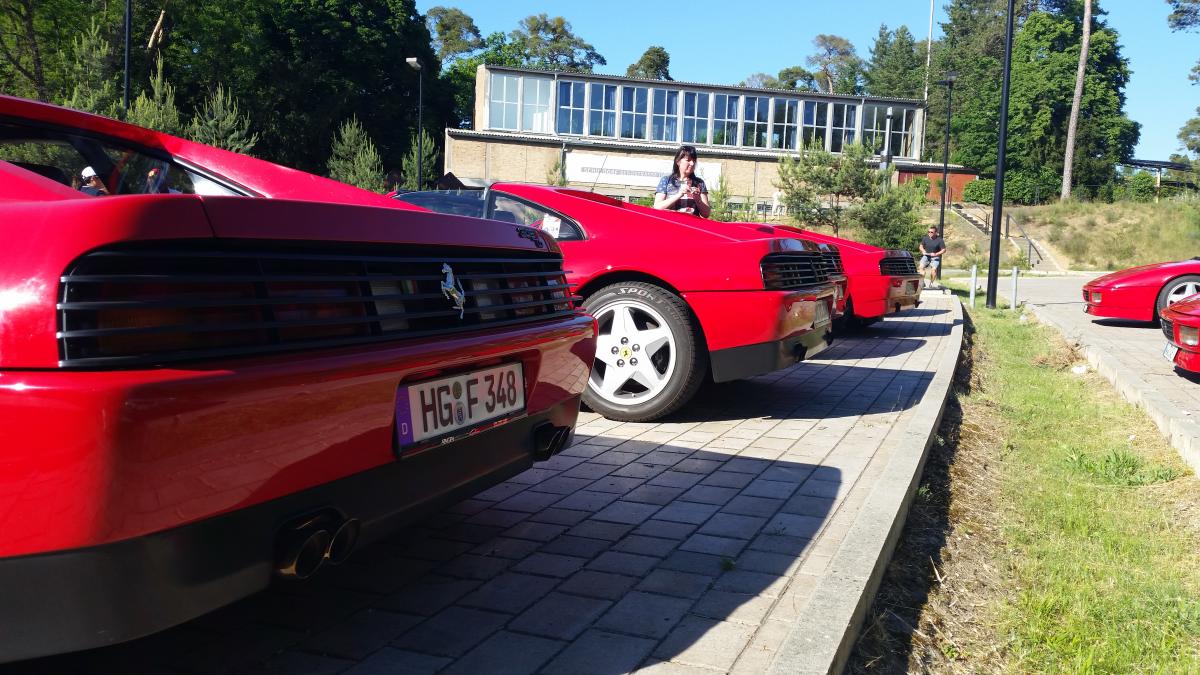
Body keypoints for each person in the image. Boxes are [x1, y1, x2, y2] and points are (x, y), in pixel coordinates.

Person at [654, 145, 710, 217]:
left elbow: (706, 214)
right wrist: (679, 194)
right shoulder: (666, 180)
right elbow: (657, 207)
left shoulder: (699, 183)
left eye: (694, 160)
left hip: (690, 224)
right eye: (688, 160)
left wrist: (698, 199)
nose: (692, 163)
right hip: (670, 222)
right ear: (678, 161)